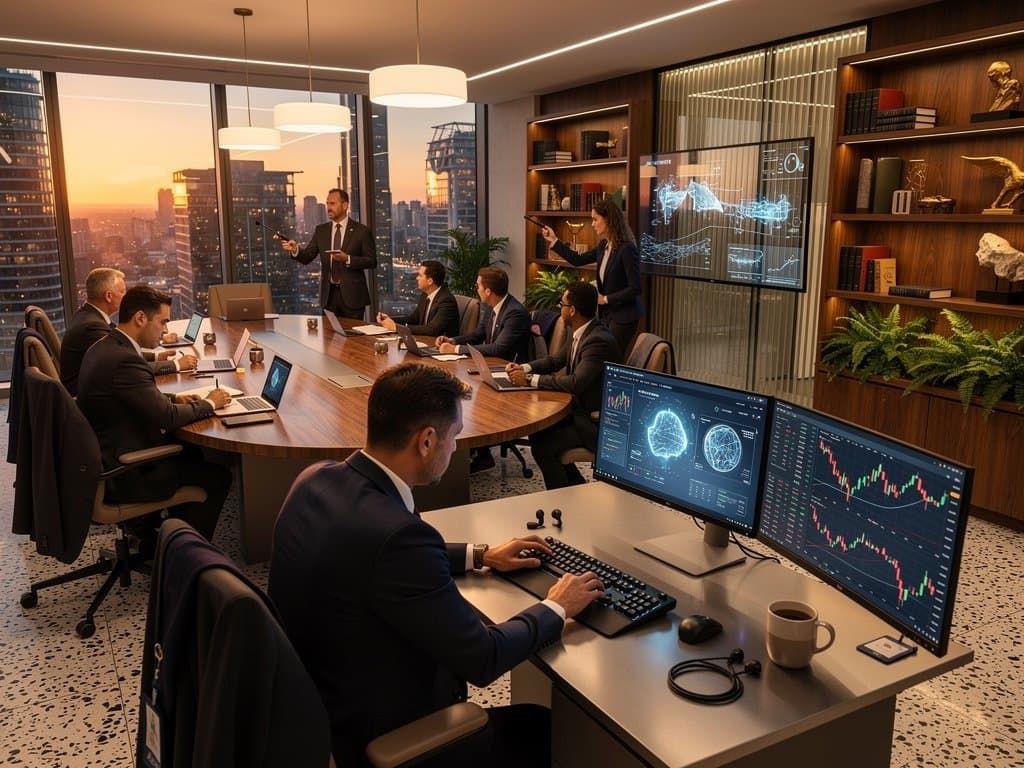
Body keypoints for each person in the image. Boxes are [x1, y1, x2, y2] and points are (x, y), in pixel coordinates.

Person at [269, 363, 604, 767]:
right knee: (545, 729)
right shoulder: (398, 537)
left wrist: (480, 555)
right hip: (384, 735)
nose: (455, 449)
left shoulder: (314, 479)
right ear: (426, 441)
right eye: (454, 437)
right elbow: (483, 656)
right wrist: (556, 606)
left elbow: (369, 554)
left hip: (320, 707)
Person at [76, 286, 233, 542]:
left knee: (192, 451)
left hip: (107, 453)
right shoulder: (125, 360)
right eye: (162, 322)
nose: (165, 330)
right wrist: (210, 403)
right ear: (140, 318)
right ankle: (184, 557)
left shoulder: (106, 346)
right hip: (125, 472)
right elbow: (167, 418)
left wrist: (174, 397)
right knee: (219, 476)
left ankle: (156, 533)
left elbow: (133, 398)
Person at [506, 282, 621, 488]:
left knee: (543, 447)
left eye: (562, 304)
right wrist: (524, 368)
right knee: (539, 432)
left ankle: (561, 499)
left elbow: (576, 383)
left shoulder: (598, 341)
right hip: (578, 410)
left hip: (595, 422)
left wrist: (531, 381)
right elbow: (554, 361)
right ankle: (573, 486)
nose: (560, 309)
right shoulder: (582, 331)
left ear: (573, 310)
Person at [60, 267, 198, 396]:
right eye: (122, 291)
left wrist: (156, 356)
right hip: (92, 397)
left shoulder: (88, 315)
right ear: (108, 296)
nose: (126, 296)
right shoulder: (92, 326)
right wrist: (176, 364)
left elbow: (126, 351)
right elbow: (126, 362)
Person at [542, 198, 643, 357]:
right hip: (607, 314)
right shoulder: (603, 246)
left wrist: (606, 299)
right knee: (601, 356)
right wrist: (554, 241)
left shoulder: (627, 249)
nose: (593, 224)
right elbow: (577, 260)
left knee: (609, 358)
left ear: (608, 219)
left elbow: (635, 288)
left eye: (595, 219)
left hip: (624, 316)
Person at [282, 188, 377, 319]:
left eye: (333, 204)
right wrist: (295, 250)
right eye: (327, 203)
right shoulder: (321, 231)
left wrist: (348, 259)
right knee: (329, 338)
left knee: (353, 337)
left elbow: (371, 261)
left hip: (353, 297)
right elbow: (308, 256)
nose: (329, 207)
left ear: (345, 205)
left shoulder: (361, 231)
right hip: (329, 297)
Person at [436, 266, 531, 362]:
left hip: (508, 368)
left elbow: (497, 348)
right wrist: (453, 341)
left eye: (478, 286)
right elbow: (478, 335)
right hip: (491, 362)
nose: (477, 290)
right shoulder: (492, 305)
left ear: (488, 291)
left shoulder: (515, 313)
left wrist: (456, 349)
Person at [375, 259, 459, 337]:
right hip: (424, 341)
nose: (417, 278)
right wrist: (390, 320)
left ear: (430, 281)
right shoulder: (425, 294)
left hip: (440, 347)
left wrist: (397, 327)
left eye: (420, 275)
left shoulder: (446, 301)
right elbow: (414, 318)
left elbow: (432, 330)